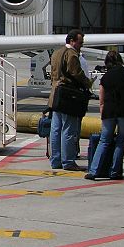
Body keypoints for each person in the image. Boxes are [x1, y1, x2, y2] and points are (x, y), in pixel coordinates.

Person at [86, 49, 124, 180]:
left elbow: (101, 101)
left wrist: (102, 115)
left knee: (104, 141)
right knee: (121, 141)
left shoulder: (105, 78)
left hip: (109, 111)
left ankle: (93, 171)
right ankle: (115, 172)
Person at [48, 29, 91, 171]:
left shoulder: (56, 53)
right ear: (72, 41)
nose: (81, 45)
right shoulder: (71, 54)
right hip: (68, 96)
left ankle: (56, 160)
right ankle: (68, 161)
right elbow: (76, 73)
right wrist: (87, 83)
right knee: (68, 129)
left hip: (55, 95)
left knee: (55, 129)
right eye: (80, 42)